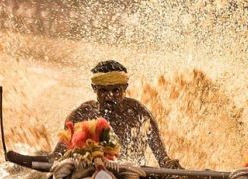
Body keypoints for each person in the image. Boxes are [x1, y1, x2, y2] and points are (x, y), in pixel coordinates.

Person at [52, 60, 180, 169]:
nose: (109, 96)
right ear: (94, 88)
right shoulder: (81, 115)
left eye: (116, 90)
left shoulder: (139, 114)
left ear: (125, 88)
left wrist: (169, 164)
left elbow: (162, 159)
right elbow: (57, 155)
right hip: (91, 178)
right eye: (103, 90)